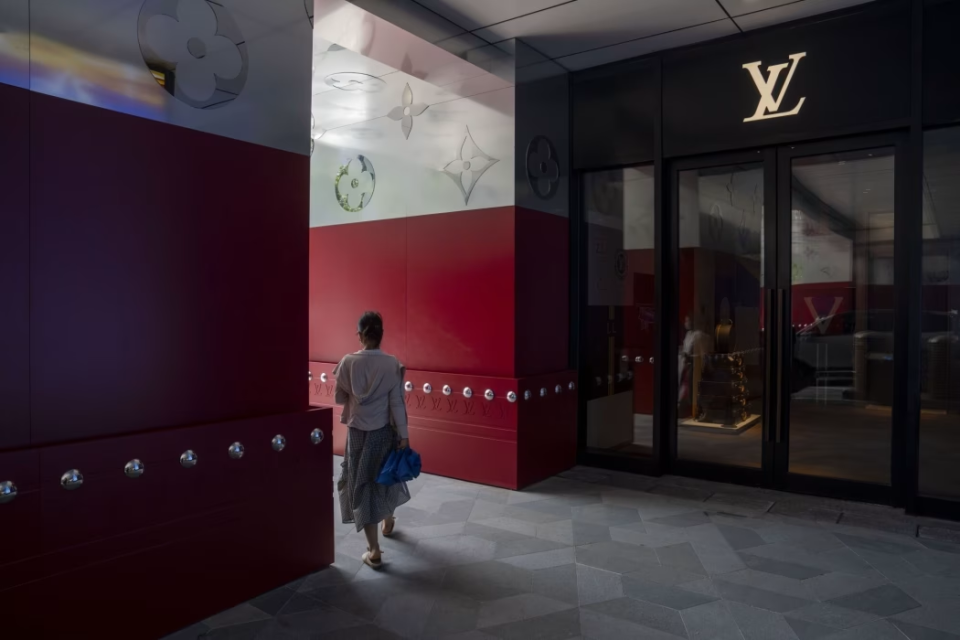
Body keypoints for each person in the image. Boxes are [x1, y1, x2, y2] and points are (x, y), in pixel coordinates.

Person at [333, 311, 410, 569]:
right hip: (383, 432)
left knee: (361, 484)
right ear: (381, 335)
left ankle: (373, 550)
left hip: (357, 433)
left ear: (359, 335)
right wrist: (404, 435)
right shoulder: (392, 364)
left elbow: (339, 398)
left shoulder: (347, 362)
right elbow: (397, 403)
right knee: (384, 477)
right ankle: (388, 519)